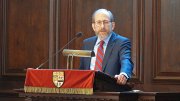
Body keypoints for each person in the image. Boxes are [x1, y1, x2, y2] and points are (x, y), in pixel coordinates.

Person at [80, 8, 133, 85]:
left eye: (106, 22)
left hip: (110, 90)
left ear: (113, 25)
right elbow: (82, 69)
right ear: (93, 26)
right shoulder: (87, 43)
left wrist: (124, 74)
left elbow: (126, 60)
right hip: (88, 90)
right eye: (98, 22)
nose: (102, 26)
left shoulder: (121, 42)